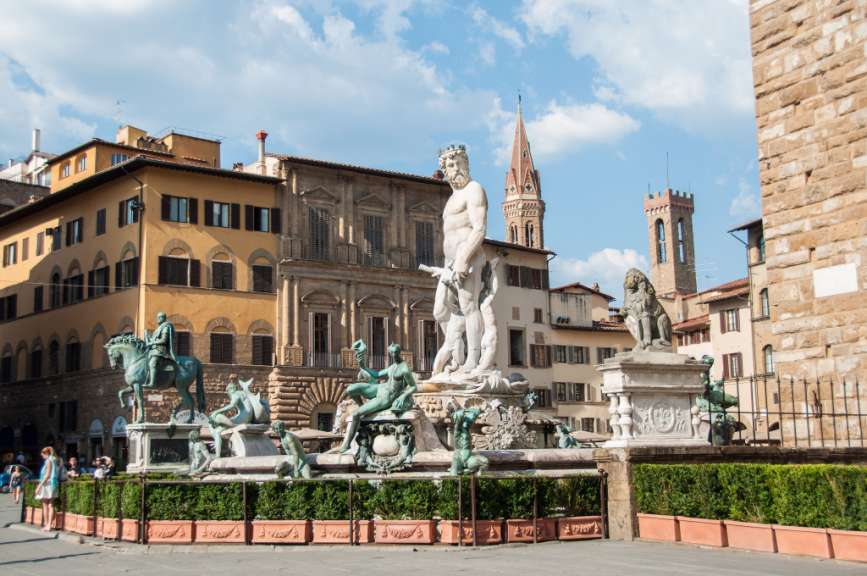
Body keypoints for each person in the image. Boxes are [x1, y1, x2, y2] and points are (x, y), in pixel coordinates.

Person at [145, 311, 176, 389]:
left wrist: (151, 343)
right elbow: (154, 339)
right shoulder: (159, 328)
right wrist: (148, 337)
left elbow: (164, 340)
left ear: (163, 318)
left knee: (152, 363)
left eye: (159, 317)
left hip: (161, 350)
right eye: (157, 317)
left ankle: (152, 383)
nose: (157, 319)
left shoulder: (165, 327)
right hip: (154, 350)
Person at [36, 447, 60, 531]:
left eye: (42, 454)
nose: (41, 456)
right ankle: (48, 524)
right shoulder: (54, 460)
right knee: (51, 504)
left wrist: (39, 486)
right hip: (53, 483)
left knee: (46, 505)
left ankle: (47, 525)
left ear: (46, 454)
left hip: (47, 484)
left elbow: (47, 475)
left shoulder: (48, 461)